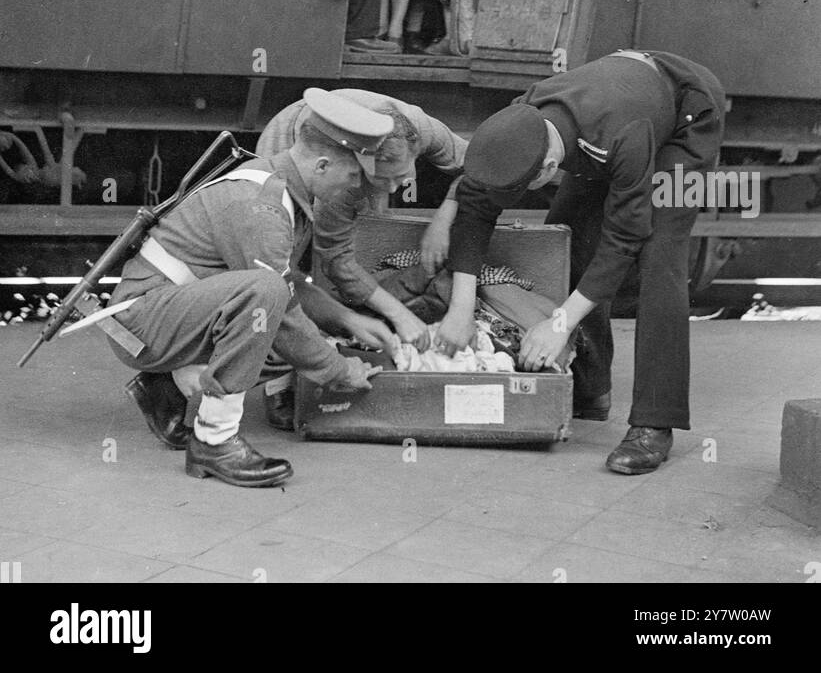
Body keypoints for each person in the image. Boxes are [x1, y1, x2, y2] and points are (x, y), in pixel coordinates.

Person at [433, 49, 725, 475]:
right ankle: (590, 386)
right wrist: (459, 311)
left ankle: (654, 424)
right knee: (565, 235)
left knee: (660, 258)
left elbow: (625, 236)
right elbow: (477, 208)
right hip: (613, 109)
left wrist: (557, 324)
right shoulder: (520, 122)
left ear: (549, 168)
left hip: (684, 117)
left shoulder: (623, 136)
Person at [110, 91, 387, 487]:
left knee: (279, 313)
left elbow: (288, 288)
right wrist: (338, 370)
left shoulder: (283, 188)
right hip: (140, 323)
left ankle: (167, 390)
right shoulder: (262, 206)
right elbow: (278, 302)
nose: (357, 188)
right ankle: (214, 442)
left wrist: (348, 321)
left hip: (167, 311)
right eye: (354, 176)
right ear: (322, 165)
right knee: (269, 302)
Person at [255, 87, 469, 423]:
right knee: (281, 271)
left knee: (368, 219)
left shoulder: (423, 129)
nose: (397, 188)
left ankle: (338, 323)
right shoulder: (340, 183)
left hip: (360, 150)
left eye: (403, 177)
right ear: (358, 165)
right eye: (384, 179)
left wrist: (443, 219)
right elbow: (336, 257)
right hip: (293, 139)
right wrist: (399, 315)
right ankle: (280, 379)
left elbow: (480, 166)